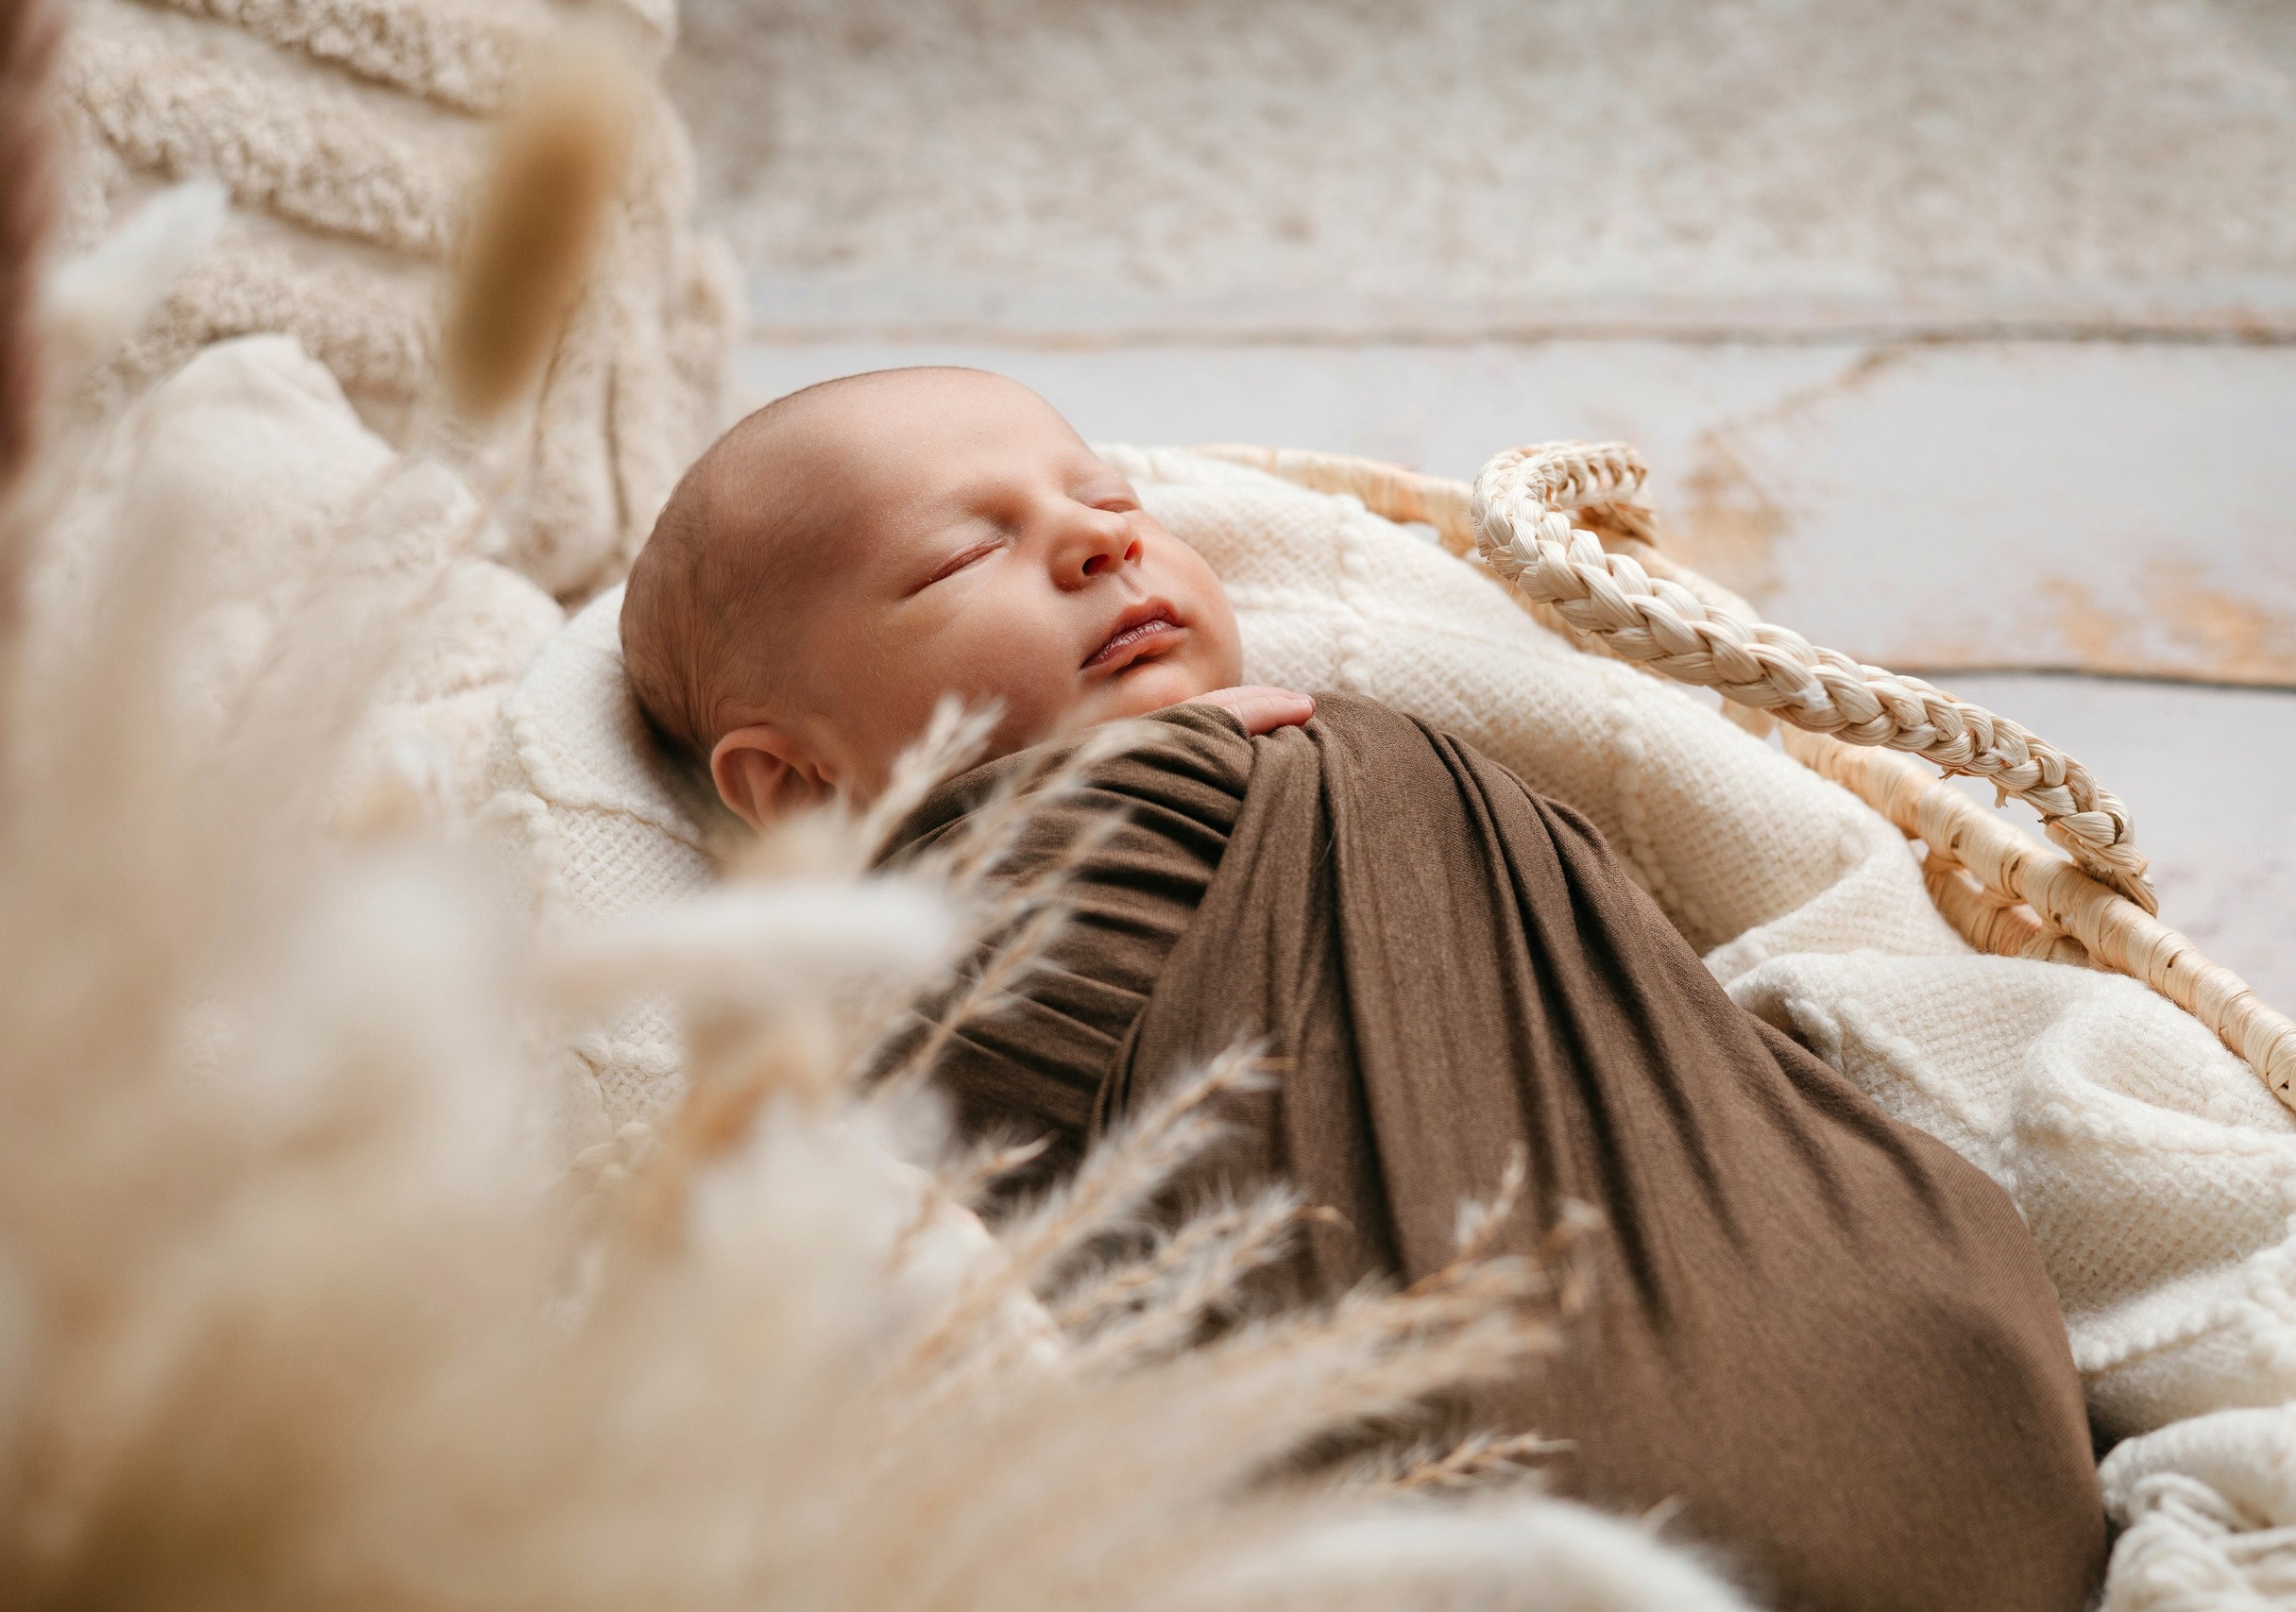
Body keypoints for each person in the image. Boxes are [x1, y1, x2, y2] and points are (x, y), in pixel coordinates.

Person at [621, 367, 2108, 1612]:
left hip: (1898, 1326)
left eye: (1109, 500)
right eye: (963, 556)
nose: (1095, 544)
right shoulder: (924, 939)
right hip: (1578, 1472)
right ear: (799, 787)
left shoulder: (1375, 730)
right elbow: (918, 1180)